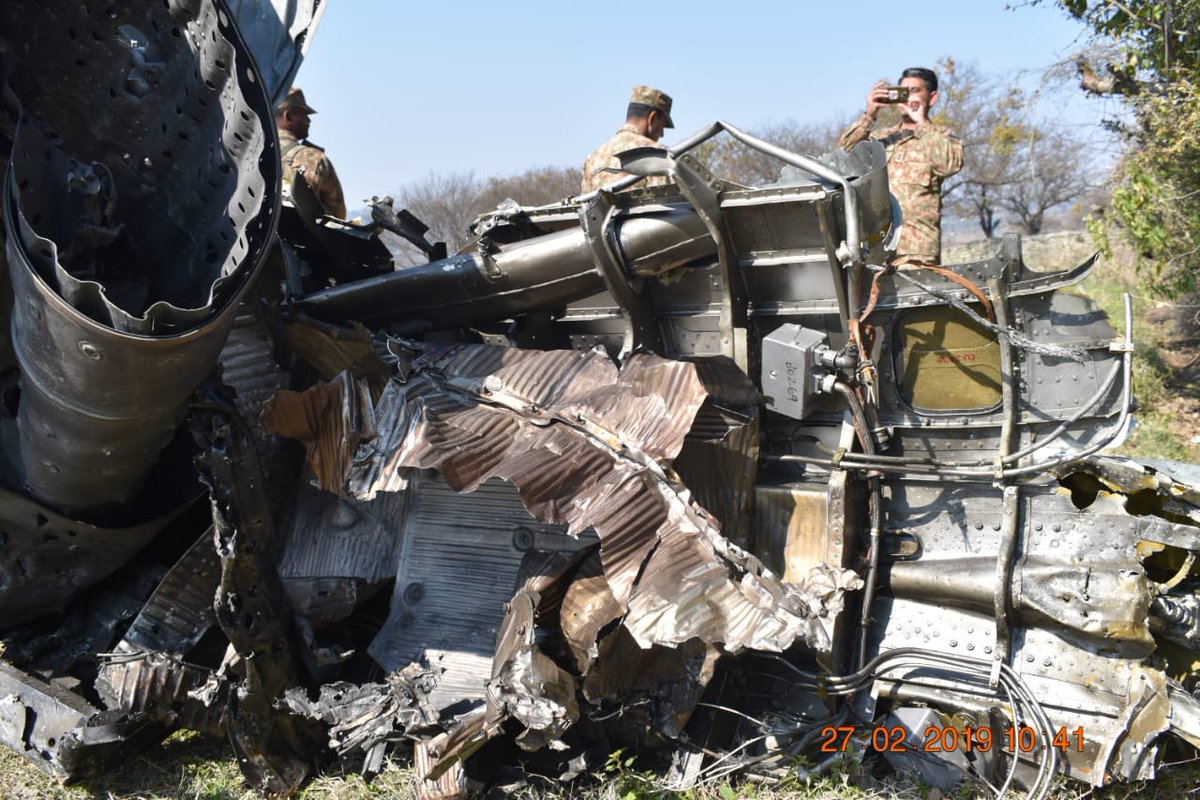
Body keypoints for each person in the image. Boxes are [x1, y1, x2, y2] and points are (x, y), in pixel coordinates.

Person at [837, 67, 963, 266]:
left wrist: (920, 122)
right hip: (875, 248)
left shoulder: (940, 137)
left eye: (914, 91)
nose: (907, 98)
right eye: (903, 92)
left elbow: (949, 164)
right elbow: (841, 157)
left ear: (932, 98)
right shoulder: (880, 139)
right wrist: (869, 115)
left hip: (916, 251)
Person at [581, 85, 675, 193]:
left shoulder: (592, 159)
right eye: (662, 125)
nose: (662, 134)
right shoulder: (657, 155)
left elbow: (586, 206)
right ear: (652, 118)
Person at [275, 87, 347, 219]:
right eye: (304, 115)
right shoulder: (312, 158)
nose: (309, 121)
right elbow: (338, 216)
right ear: (288, 116)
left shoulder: (248, 152)